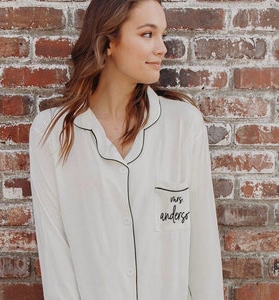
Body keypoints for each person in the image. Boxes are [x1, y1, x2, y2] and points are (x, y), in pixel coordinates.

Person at [29, 0, 224, 299]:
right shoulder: (51, 133)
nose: (162, 48)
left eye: (163, 35)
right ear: (108, 42)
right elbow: (57, 265)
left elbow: (203, 254)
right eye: (147, 34)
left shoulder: (183, 125)